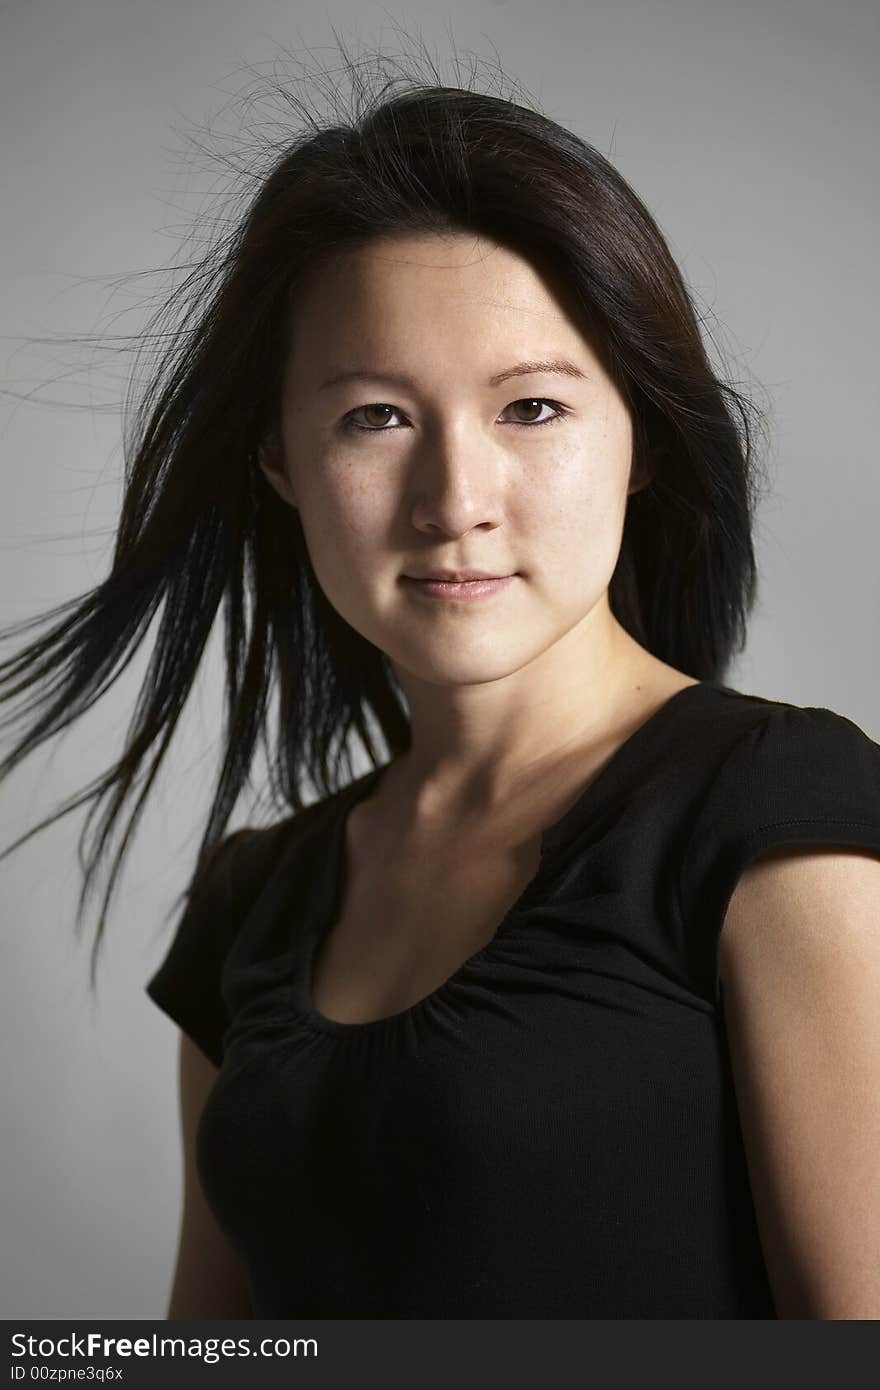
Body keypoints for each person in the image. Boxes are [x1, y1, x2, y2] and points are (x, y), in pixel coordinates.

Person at [2, 61, 879, 1321]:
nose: (455, 498)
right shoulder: (251, 904)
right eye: (374, 418)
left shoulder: (777, 814)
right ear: (280, 460)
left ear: (641, 438)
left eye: (531, 407)